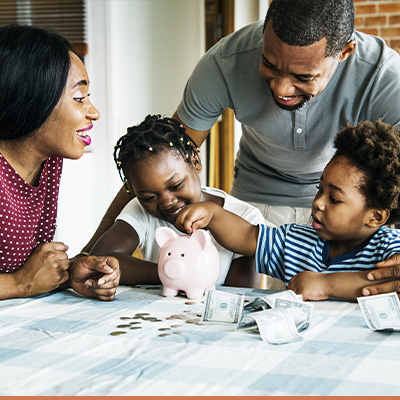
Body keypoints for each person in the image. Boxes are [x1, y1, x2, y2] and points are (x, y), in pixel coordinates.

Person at [81, 0, 400, 293]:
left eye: (303, 76)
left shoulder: (384, 77)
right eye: (270, 65)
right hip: (255, 206)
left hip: (345, 207)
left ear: (345, 52)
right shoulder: (225, 62)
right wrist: (88, 252)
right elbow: (158, 158)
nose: (280, 88)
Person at [176, 120, 400, 301]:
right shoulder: (297, 241)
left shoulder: (389, 247)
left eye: (334, 199)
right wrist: (214, 214)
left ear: (376, 216)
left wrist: (325, 284)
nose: (318, 202)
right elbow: (247, 236)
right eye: (319, 189)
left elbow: (390, 284)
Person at [0, 24, 120, 301]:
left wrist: (68, 273)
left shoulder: (49, 161)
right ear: (31, 99)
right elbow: (23, 279)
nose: (95, 112)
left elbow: (31, 267)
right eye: (79, 98)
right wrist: (20, 284)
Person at [89, 114, 264, 288]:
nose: (167, 202)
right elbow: (100, 259)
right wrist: (168, 272)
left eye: (176, 185)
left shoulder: (246, 217)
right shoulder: (140, 209)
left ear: (195, 161)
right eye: (149, 197)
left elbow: (241, 294)